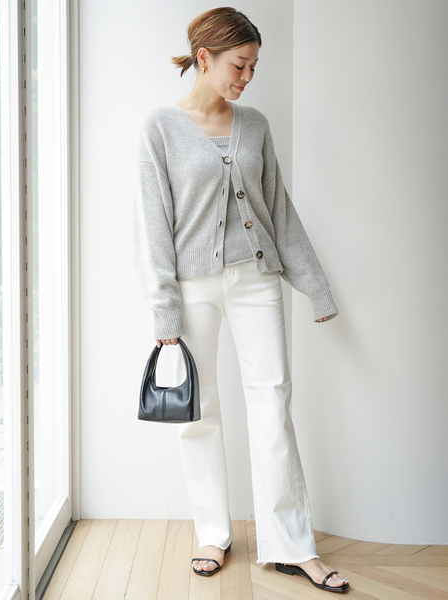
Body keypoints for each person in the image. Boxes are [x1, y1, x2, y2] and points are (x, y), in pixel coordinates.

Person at [133, 7, 350, 594]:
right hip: (192, 286)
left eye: (254, 66)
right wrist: (164, 310)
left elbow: (279, 210)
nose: (248, 77)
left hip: (257, 279)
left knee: (273, 401)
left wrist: (315, 285)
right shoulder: (159, 128)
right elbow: (152, 226)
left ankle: (292, 545)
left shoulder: (254, 125)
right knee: (199, 413)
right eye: (239, 64)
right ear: (204, 58)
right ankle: (212, 533)